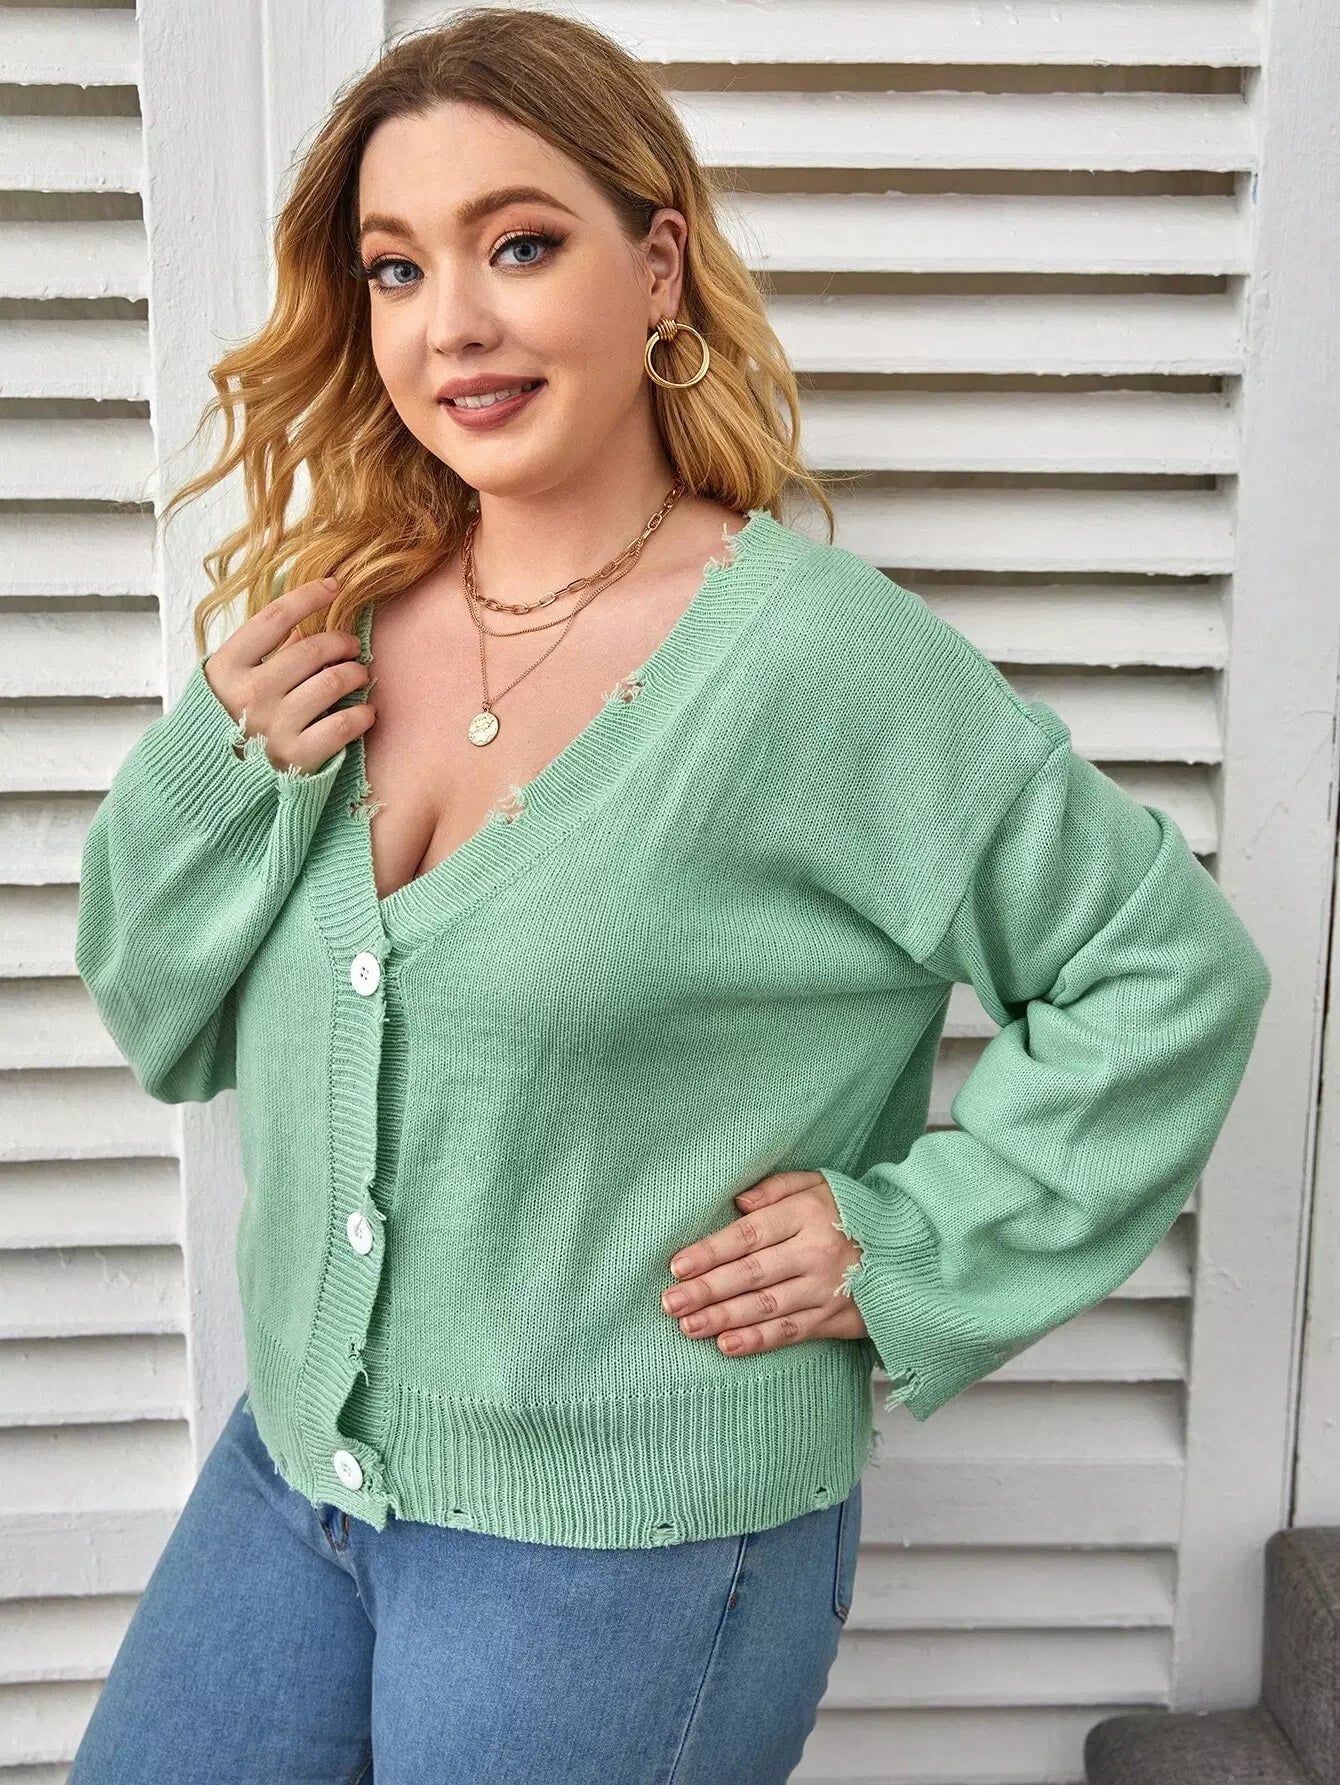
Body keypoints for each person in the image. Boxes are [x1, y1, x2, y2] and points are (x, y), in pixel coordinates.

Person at [66, 7, 1271, 1782]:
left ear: (657, 269)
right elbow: (157, 1018)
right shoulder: (332, 630)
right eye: (396, 269)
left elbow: (1165, 971)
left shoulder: (811, 661)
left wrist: (911, 1240)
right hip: (296, 1479)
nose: (450, 323)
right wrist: (214, 774)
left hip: (623, 1550)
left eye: (519, 245)